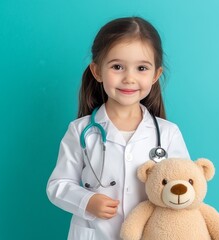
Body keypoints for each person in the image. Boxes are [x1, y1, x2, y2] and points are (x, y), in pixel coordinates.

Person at [46, 16, 190, 240]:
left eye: (141, 68)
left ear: (155, 75)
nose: (129, 78)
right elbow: (57, 185)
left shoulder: (168, 133)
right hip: (95, 234)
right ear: (97, 71)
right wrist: (87, 201)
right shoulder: (80, 131)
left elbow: (185, 187)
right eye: (117, 67)